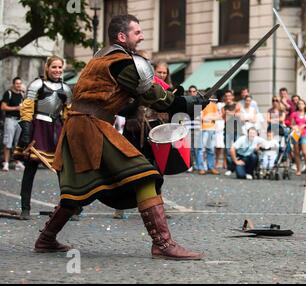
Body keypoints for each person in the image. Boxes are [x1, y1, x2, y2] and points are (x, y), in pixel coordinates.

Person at [31, 14, 209, 260]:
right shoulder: (122, 63)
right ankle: (163, 244)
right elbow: (156, 98)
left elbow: (123, 106)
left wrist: (179, 100)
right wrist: (190, 103)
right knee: (146, 177)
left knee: (76, 190)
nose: (142, 36)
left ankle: (46, 239)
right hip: (92, 127)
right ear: (122, 36)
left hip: (77, 127)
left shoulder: (100, 60)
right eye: (137, 32)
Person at [13, 57, 72, 220]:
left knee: (63, 171)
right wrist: (26, 131)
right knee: (30, 169)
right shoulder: (36, 85)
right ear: (47, 68)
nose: (57, 70)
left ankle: (69, 207)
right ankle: (25, 208)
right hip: (37, 128)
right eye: (54, 67)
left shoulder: (66, 89)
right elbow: (27, 108)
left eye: (60, 67)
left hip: (56, 129)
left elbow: (68, 114)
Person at [1, 77, 25, 172]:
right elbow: (3, 107)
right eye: (17, 83)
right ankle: (6, 163)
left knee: (18, 143)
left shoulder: (22, 94)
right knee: (8, 142)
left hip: (19, 121)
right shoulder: (8, 93)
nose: (18, 85)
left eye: (20, 83)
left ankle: (17, 162)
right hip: (10, 120)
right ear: (13, 84)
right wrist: (16, 108)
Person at [197, 101, 220, 175]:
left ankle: (211, 167)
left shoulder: (213, 105)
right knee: (201, 149)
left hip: (211, 129)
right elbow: (200, 118)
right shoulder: (199, 105)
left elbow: (218, 116)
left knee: (210, 149)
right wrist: (209, 117)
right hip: (202, 129)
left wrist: (208, 117)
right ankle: (201, 168)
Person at [222, 90, 241, 176]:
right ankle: (230, 168)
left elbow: (238, 115)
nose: (228, 97)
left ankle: (238, 166)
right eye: (226, 96)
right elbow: (224, 119)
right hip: (227, 130)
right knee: (228, 149)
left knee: (237, 149)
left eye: (229, 96)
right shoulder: (223, 107)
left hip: (237, 129)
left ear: (232, 97)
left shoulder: (237, 104)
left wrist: (230, 113)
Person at [290, 99, 306, 176]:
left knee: (305, 152)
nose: (300, 105)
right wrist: (294, 127)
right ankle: (298, 170)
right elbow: (291, 124)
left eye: (302, 104)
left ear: (305, 105)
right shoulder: (294, 114)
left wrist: (305, 125)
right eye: (299, 104)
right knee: (296, 152)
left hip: (304, 133)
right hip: (296, 133)